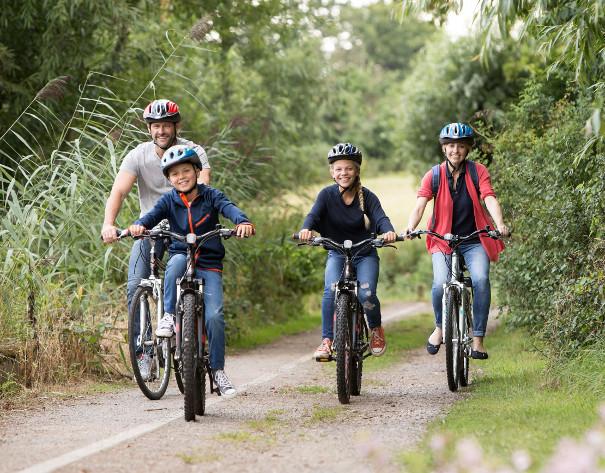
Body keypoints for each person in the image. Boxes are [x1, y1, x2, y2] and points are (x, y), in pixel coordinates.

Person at [128, 145, 255, 398]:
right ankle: (168, 317)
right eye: (174, 174)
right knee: (174, 265)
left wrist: (242, 221)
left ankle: (218, 371)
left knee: (215, 316)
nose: (181, 177)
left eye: (186, 170)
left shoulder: (210, 196)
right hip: (180, 256)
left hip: (209, 263)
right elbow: (151, 216)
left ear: (197, 171)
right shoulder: (168, 200)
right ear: (169, 179)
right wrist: (139, 226)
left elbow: (228, 207)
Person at [100, 99, 211, 378]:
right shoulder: (138, 155)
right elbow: (119, 192)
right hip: (149, 229)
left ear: (177, 126)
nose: (161, 131)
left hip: (186, 229)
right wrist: (109, 224)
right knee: (135, 286)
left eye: (167, 125)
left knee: (191, 283)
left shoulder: (193, 152)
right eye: (156, 126)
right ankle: (145, 352)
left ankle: (192, 342)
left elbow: (205, 188)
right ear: (150, 128)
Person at [405, 122, 509, 359]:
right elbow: (420, 204)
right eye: (450, 145)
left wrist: (500, 224)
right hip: (442, 239)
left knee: (481, 279)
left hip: (474, 238)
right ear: (444, 149)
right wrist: (411, 227)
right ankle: (440, 328)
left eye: (460, 146)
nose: (455, 150)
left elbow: (489, 198)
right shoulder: (433, 175)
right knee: (441, 282)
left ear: (468, 149)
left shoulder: (478, 171)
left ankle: (478, 339)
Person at [298, 143, 397, 360]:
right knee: (330, 291)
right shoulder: (326, 195)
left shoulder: (368, 197)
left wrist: (388, 232)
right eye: (339, 169)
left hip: (365, 254)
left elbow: (381, 218)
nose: (344, 173)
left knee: (366, 293)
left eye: (349, 168)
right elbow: (313, 215)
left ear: (357, 170)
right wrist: (306, 229)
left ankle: (375, 328)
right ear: (332, 172)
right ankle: (327, 340)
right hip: (337, 254)